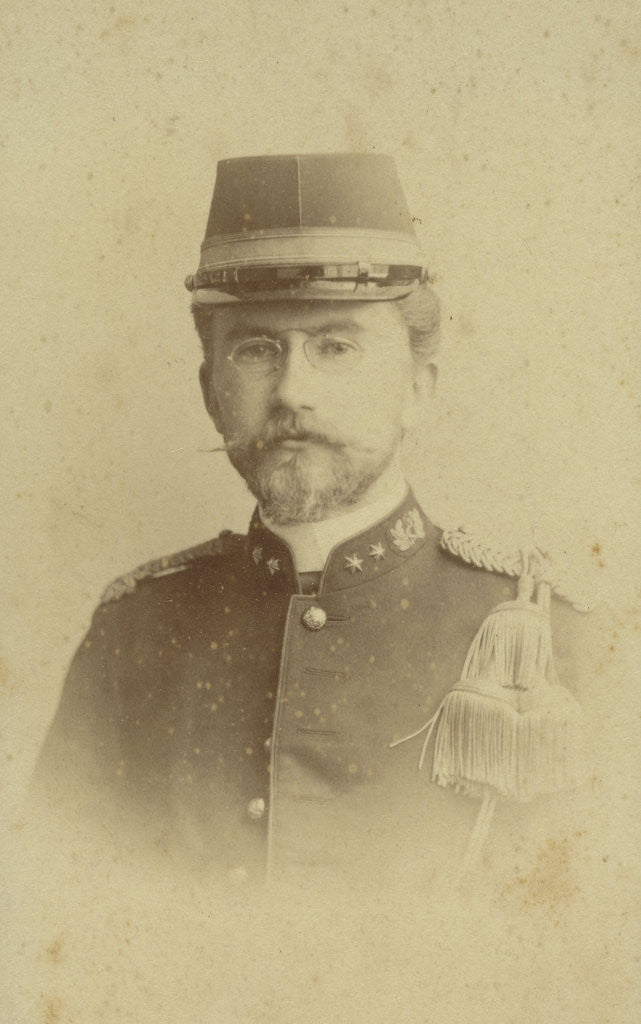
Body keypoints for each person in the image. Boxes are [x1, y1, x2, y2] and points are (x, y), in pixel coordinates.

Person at [34, 153, 596, 891]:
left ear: (417, 389)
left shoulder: (560, 643)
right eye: (257, 348)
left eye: (337, 346)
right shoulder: (131, 635)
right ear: (211, 393)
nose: (294, 391)